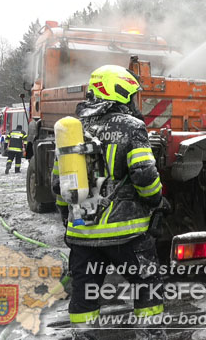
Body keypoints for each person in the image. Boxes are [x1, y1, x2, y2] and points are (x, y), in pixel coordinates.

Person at [52, 65, 166, 340]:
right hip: (127, 235)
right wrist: (156, 200)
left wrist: (68, 218)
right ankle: (149, 335)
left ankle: (84, 336)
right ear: (119, 93)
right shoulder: (131, 127)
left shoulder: (72, 129)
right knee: (147, 286)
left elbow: (58, 182)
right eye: (131, 95)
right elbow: (144, 174)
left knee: (83, 297)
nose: (133, 102)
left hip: (82, 235)